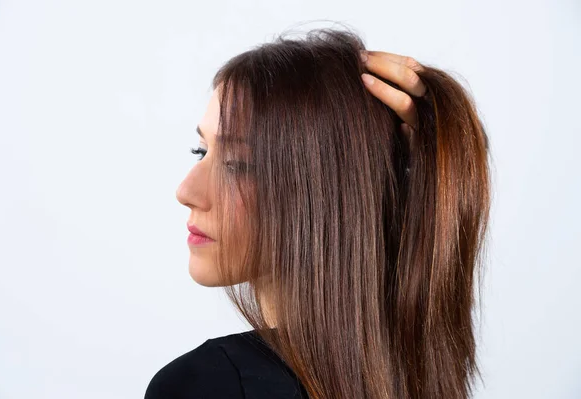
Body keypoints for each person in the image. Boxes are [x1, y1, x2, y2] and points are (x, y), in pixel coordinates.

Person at [145, 28, 491, 399]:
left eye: (238, 164)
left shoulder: (208, 386)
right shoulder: (420, 372)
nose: (186, 192)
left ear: (331, 191)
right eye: (201, 152)